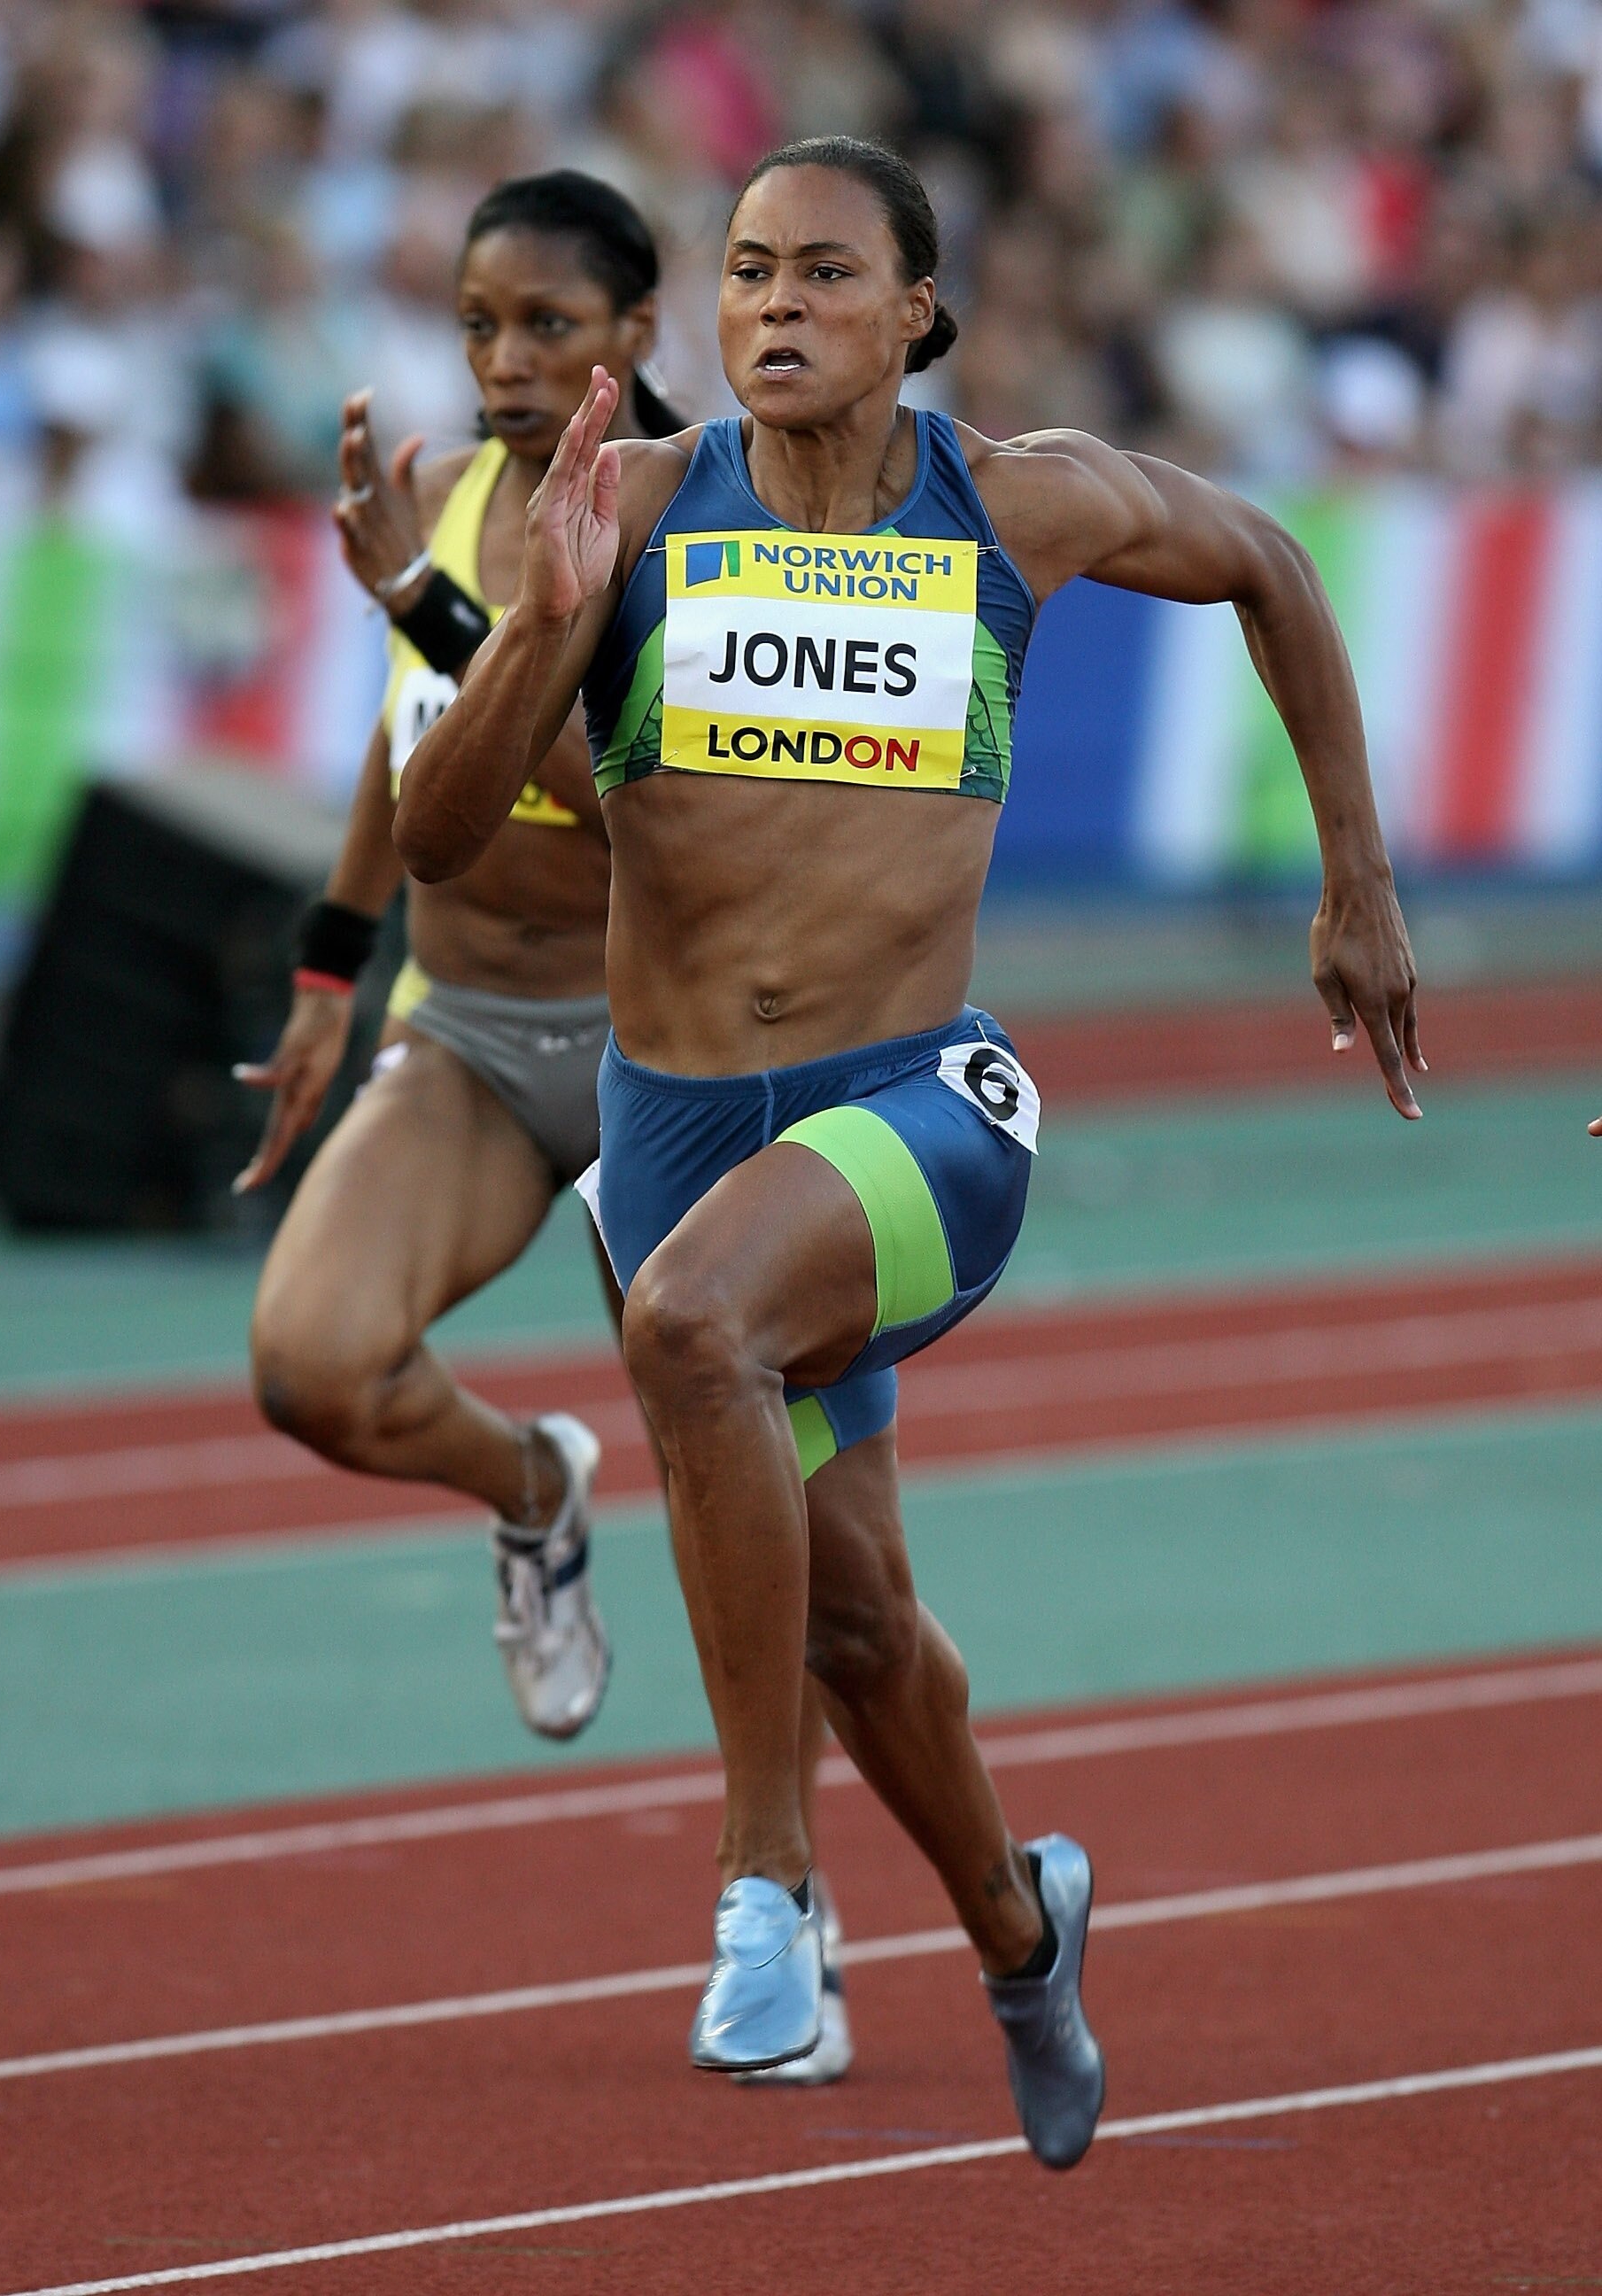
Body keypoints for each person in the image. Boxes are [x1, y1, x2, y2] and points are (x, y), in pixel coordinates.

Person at [393, 136, 1424, 2163]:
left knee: (691, 1328)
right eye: (747, 272)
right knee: (860, 1629)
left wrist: (1355, 878)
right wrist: (539, 626)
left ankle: (760, 1889)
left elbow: (1272, 569)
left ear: (914, 316)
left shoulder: (1011, 504)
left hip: (911, 1116)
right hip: (677, 1126)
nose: (770, 306)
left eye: (821, 275)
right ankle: (1016, 1926)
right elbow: (437, 839)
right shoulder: (633, 513)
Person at [236, 170, 855, 2084]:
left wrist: (427, 607)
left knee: (763, 1522)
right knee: (311, 1367)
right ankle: (527, 1492)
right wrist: (335, 972)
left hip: (655, 1058)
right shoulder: (458, 495)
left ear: (638, 337)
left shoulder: (694, 516)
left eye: (547, 331)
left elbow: (638, 802)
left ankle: (783, 1905)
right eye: (478, 327)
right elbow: (409, 746)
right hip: (468, 1027)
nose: (505, 367)